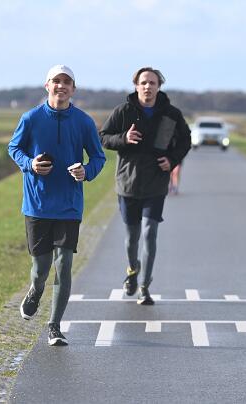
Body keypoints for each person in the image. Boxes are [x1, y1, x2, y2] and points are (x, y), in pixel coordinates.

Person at [8, 65, 105, 346]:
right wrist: (30, 164)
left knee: (64, 264)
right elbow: (14, 148)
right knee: (41, 268)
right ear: (47, 86)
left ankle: (54, 326)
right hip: (37, 204)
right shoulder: (31, 118)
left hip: (69, 204)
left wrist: (86, 171)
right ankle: (35, 290)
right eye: (56, 81)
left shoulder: (84, 122)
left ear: (73, 89)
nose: (61, 86)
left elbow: (98, 157)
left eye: (66, 82)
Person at [99, 67, 191, 305]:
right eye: (143, 83)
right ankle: (132, 269)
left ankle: (144, 287)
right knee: (132, 237)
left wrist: (172, 160)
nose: (148, 87)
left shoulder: (171, 114)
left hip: (156, 183)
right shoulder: (123, 111)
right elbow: (103, 137)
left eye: (152, 83)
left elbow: (186, 140)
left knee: (150, 233)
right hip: (128, 182)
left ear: (159, 86)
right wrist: (124, 138)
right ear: (136, 86)